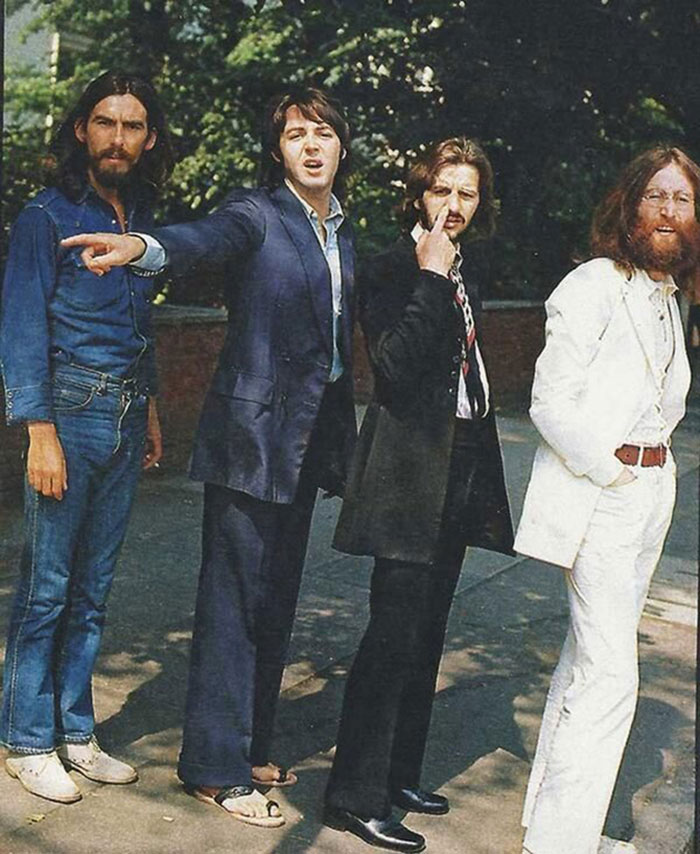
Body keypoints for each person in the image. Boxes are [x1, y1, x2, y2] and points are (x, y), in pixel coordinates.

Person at [63, 86, 357, 826]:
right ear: (278, 150)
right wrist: (143, 248)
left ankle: (249, 742)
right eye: (296, 135)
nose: (311, 146)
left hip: (302, 445)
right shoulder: (257, 214)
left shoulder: (342, 231)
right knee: (232, 605)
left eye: (323, 133)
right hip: (249, 441)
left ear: (342, 147)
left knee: (276, 599)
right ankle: (215, 769)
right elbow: (203, 238)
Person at [323, 137, 514, 853]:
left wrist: (449, 277)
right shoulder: (393, 268)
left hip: (461, 463)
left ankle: (397, 775)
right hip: (408, 471)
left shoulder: (470, 270)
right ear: (418, 193)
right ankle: (353, 795)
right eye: (442, 190)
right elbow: (395, 368)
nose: (454, 205)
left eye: (467, 193)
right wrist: (430, 280)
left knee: (429, 633)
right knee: (391, 637)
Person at [514, 146, 698, 854]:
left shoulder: (668, 296)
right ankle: (560, 845)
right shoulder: (592, 284)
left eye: (682, 201)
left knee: (585, 662)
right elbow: (549, 402)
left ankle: (557, 826)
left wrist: (650, 483)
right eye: (657, 196)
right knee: (611, 674)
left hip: (651, 495)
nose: (669, 212)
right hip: (603, 495)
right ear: (629, 204)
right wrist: (615, 475)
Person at [0, 69, 172, 804]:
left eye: (132, 126)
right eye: (105, 122)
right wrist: (40, 430)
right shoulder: (46, 215)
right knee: (47, 587)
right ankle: (25, 738)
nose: (118, 138)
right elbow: (20, 325)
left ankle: (75, 731)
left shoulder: (138, 217)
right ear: (82, 130)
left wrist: (154, 404)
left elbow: (138, 324)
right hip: (69, 412)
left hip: (129, 413)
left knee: (94, 591)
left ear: (149, 138)